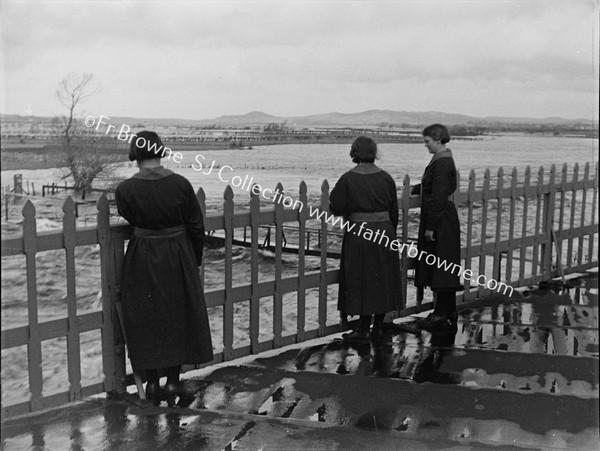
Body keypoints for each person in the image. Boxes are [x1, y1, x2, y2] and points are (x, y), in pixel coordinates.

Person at [115, 130, 213, 406]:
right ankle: (173, 382)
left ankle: (152, 384)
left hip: (142, 256)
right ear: (160, 152)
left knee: (147, 317)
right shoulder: (181, 185)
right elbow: (196, 226)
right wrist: (192, 260)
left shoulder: (125, 190)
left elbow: (130, 216)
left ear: (135, 155)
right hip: (178, 254)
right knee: (176, 315)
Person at [330, 136, 403, 343]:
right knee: (381, 278)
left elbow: (336, 206)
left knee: (361, 278)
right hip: (384, 231)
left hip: (360, 234)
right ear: (374, 153)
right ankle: (378, 326)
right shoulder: (386, 178)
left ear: (354, 153)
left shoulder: (348, 178)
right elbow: (393, 212)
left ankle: (363, 328)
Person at [412, 123, 461, 327]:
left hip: (439, 219)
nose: (426, 145)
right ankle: (449, 310)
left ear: (438, 139)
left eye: (427, 141)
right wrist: (415, 189)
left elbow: (439, 195)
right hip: (444, 217)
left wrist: (431, 227)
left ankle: (440, 314)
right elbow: (433, 186)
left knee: (439, 265)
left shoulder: (441, 163)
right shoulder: (444, 160)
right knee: (445, 266)